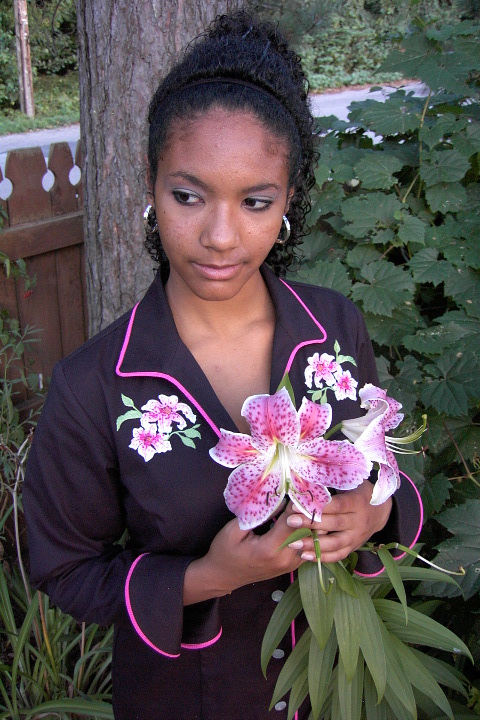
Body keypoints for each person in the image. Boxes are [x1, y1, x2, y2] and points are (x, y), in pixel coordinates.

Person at [24, 12, 422, 720]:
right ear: (149, 187)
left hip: (340, 686)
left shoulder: (333, 328)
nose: (218, 236)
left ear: (289, 201)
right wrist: (206, 576)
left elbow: (381, 463)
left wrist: (376, 511)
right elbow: (64, 569)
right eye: (188, 195)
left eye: (255, 202)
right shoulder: (95, 384)